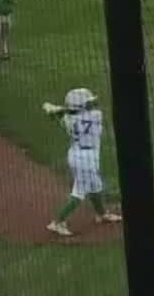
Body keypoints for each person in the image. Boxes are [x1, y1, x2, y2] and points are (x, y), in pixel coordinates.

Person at [41, 88, 122, 238]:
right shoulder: (96, 116)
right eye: (88, 103)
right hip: (86, 161)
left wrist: (52, 109)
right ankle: (57, 222)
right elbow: (86, 108)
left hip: (76, 155)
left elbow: (61, 115)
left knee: (95, 185)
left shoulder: (67, 120)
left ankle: (101, 214)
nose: (91, 104)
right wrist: (60, 109)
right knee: (79, 193)